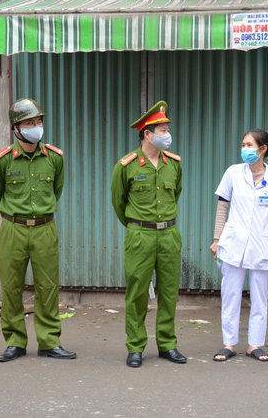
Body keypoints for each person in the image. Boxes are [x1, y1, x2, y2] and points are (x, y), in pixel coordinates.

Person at [0, 98, 76, 362]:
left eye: (38, 122)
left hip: (44, 228)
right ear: (16, 128)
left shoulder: (54, 158)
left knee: (48, 287)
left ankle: (49, 341)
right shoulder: (2, 161)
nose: (36, 127)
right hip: (13, 229)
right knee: (11, 288)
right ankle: (15, 342)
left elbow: (56, 191)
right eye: (29, 123)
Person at [111, 101, 185, 368]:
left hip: (169, 234)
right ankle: (135, 346)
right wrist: (137, 226)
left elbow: (176, 194)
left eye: (167, 128)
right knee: (137, 292)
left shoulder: (174, 164)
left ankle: (167, 344)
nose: (167, 134)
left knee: (169, 291)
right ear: (147, 134)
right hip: (140, 235)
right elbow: (119, 203)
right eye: (161, 129)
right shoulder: (126, 166)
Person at [210, 129, 268, 363]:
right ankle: (229, 344)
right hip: (233, 244)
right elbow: (222, 207)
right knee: (230, 294)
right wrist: (217, 239)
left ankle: (255, 344)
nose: (244, 149)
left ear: (262, 149)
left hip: (263, 246)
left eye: (249, 145)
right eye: (243, 144)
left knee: (259, 297)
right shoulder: (233, 173)